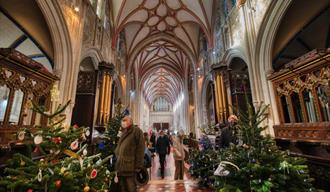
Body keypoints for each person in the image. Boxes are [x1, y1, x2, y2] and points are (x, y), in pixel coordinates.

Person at [115, 116, 145, 192]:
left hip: (130, 166)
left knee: (130, 188)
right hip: (121, 166)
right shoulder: (124, 131)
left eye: (125, 120)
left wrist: (138, 165)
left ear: (130, 122)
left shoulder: (136, 131)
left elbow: (140, 149)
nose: (123, 122)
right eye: (122, 120)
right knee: (123, 188)